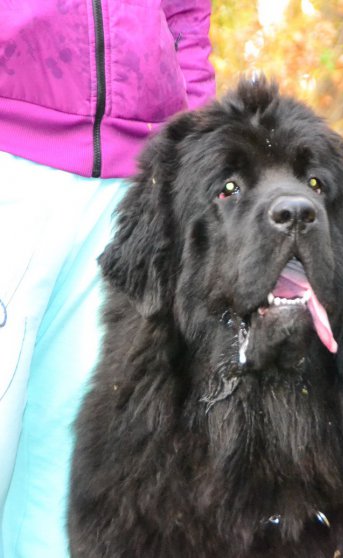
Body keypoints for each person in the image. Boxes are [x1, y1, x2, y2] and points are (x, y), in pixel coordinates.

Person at [0, 2, 215, 556]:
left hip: (133, 179)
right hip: (9, 152)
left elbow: (187, 17)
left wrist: (193, 146)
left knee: (69, 460)